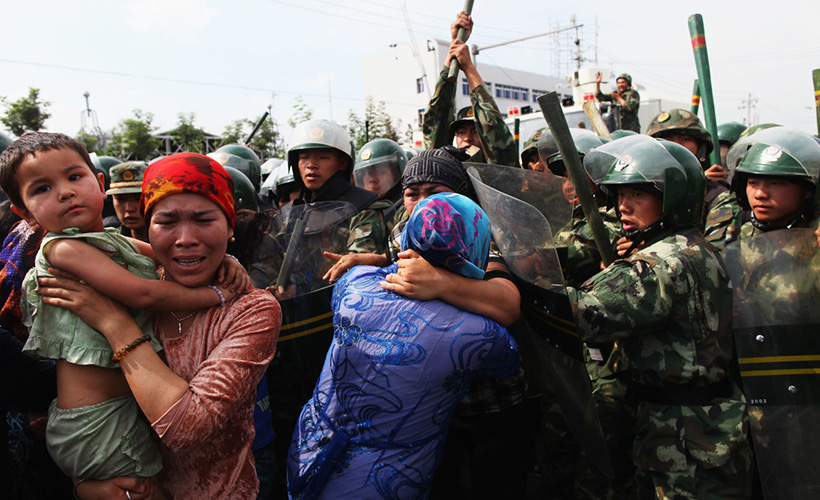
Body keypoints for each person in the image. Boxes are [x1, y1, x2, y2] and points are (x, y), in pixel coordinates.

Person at [0, 134, 251, 493]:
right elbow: (144, 293)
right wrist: (214, 294)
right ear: (23, 212)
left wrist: (225, 257)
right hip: (99, 421)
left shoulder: (113, 240)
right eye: (42, 188)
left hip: (124, 410)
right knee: (138, 490)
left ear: (99, 183)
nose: (64, 192)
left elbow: (165, 255)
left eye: (74, 177)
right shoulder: (64, 250)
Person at [286, 192, 520, 499]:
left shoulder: (355, 282)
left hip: (309, 450)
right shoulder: (479, 333)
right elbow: (507, 361)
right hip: (385, 479)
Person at [567, 135, 752, 499]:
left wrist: (499, 289)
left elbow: (577, 315)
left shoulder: (661, 263)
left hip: (685, 439)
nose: (623, 205)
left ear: (674, 200)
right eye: (620, 195)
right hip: (695, 426)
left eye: (639, 194)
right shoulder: (689, 244)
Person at [422, 11, 519, 167]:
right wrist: (453, 51)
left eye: (475, 131)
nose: (467, 138)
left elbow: (493, 129)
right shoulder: (445, 171)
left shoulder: (498, 173)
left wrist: (468, 66)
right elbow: (436, 122)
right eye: (461, 132)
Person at [646, 108, 743, 250]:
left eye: (685, 139)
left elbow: (714, 256)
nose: (676, 145)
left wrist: (647, 249)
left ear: (701, 148)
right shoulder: (641, 191)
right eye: (667, 140)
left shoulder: (718, 198)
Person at [107, 161, 149, 242]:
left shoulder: (171, 241)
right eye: (120, 199)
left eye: (138, 199)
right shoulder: (111, 244)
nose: (129, 208)